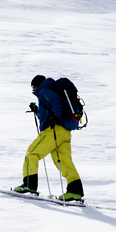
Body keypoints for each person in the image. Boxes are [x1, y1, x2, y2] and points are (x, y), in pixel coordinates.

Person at [14, 74, 84, 202]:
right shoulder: (50, 90)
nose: (33, 90)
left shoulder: (44, 90)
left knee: (32, 153)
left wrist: (56, 117)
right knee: (64, 161)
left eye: (33, 87)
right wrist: (37, 111)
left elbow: (56, 101)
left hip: (54, 130)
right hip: (65, 132)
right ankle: (75, 191)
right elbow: (49, 111)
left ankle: (29, 186)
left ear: (37, 85)